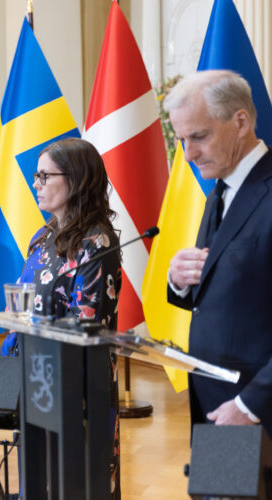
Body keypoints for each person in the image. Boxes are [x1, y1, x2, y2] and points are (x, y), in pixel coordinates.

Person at [9, 137, 122, 497]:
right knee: (38, 480)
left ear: (75, 180)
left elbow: (85, 323)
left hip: (77, 385)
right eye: (35, 176)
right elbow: (21, 306)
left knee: (75, 483)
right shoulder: (42, 236)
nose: (35, 184)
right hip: (35, 376)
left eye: (44, 176)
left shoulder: (97, 243)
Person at [166, 70, 272, 435]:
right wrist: (180, 280)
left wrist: (252, 404)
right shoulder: (221, 190)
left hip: (255, 411)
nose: (189, 153)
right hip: (215, 402)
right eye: (182, 139)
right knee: (219, 494)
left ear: (240, 121)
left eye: (199, 136)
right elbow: (223, 288)